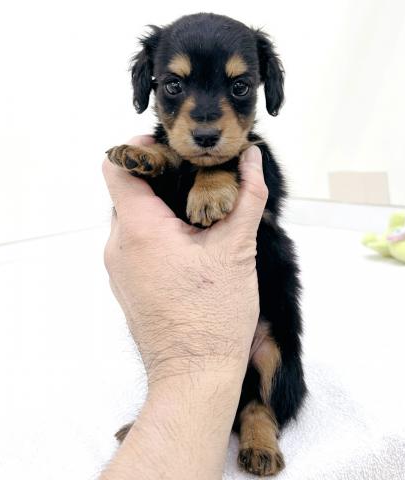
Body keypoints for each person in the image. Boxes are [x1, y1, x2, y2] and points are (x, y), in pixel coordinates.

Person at [101, 135, 269, 479]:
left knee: (276, 352)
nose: (205, 123)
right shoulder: (161, 148)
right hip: (191, 312)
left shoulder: (255, 155)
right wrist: (159, 159)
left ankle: (259, 419)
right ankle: (169, 416)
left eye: (238, 96)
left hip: (265, 315)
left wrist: (218, 175)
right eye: (175, 96)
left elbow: (270, 201)